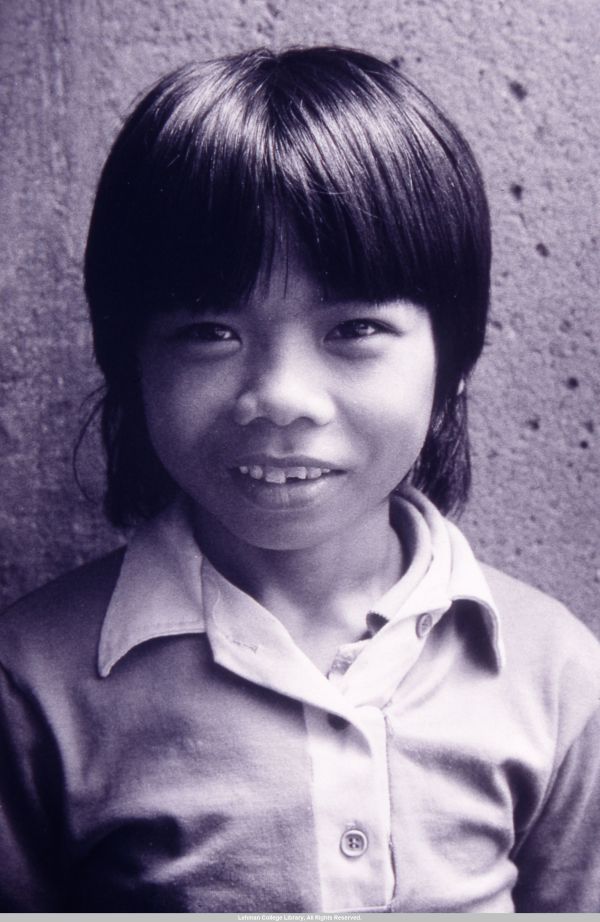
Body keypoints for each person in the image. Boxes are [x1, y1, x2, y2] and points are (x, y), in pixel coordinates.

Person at [1, 46, 599, 913]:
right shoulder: (31, 686)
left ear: (454, 358)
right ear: (130, 358)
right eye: (210, 331)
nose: (279, 399)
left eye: (354, 328)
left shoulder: (554, 673)